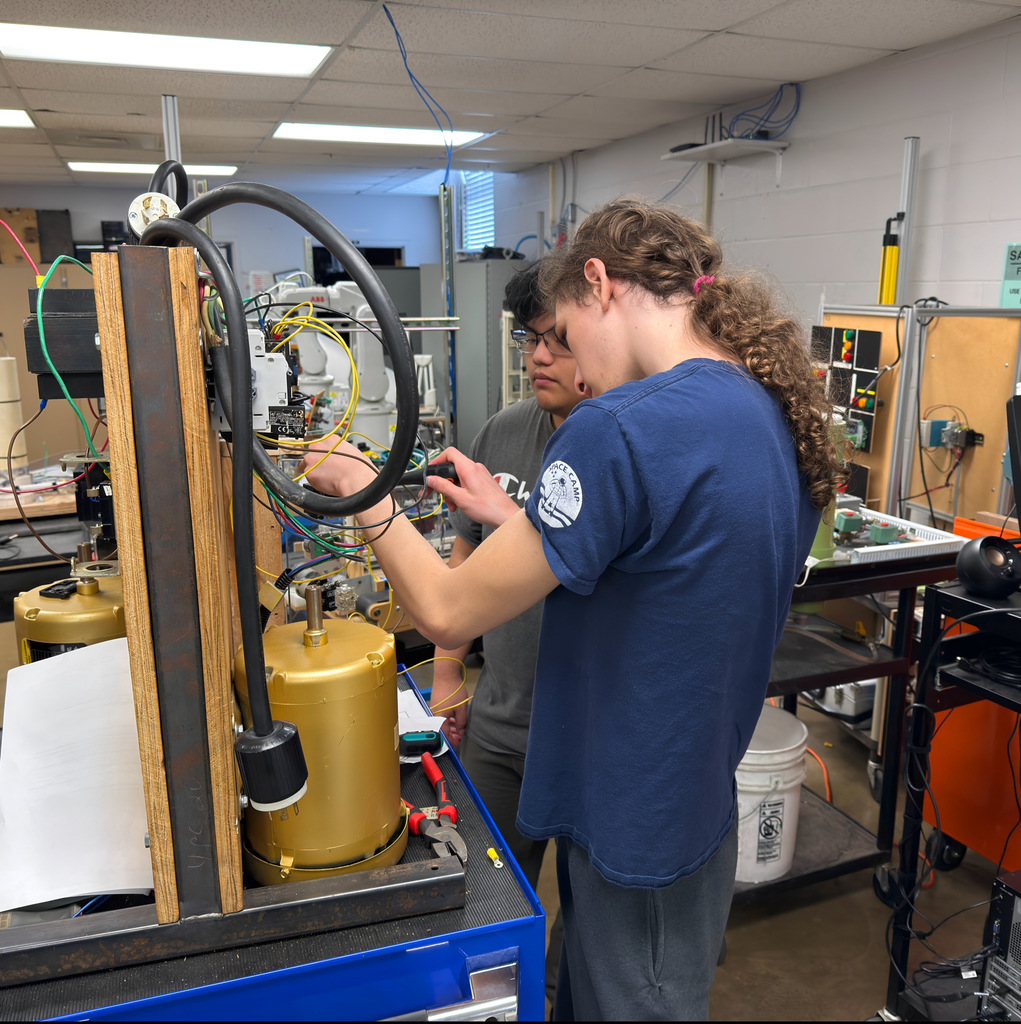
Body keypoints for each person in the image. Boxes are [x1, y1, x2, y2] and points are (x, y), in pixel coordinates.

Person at [300, 197, 845, 1020]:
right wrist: (516, 524)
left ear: (598, 282)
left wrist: (360, 491)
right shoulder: (768, 409)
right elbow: (668, 567)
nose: (570, 366)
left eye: (562, 330)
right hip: (686, 801)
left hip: (630, 816)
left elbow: (447, 611)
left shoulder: (618, 427)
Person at [429, 260, 585, 899]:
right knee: (486, 893)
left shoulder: (616, 446)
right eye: (530, 339)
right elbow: (463, 558)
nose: (539, 357)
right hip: (499, 724)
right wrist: (446, 681)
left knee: (589, 928)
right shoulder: (503, 430)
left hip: (585, 737)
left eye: (558, 339)